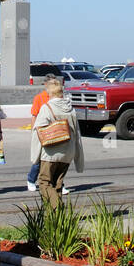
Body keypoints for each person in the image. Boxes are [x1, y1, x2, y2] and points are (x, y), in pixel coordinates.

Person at [30, 76, 84, 209]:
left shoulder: (47, 108)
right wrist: (78, 158)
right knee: (57, 185)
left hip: (50, 153)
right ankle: (56, 220)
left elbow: (38, 133)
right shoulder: (71, 109)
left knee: (44, 182)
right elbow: (77, 135)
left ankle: (57, 208)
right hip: (67, 153)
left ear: (50, 94)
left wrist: (35, 156)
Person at [26, 73, 69, 194]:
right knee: (40, 160)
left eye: (56, 83)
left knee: (56, 160)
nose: (54, 86)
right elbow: (34, 115)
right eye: (52, 84)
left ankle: (59, 184)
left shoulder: (60, 97)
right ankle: (31, 179)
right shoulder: (40, 98)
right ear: (46, 85)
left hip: (57, 133)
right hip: (44, 132)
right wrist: (34, 132)